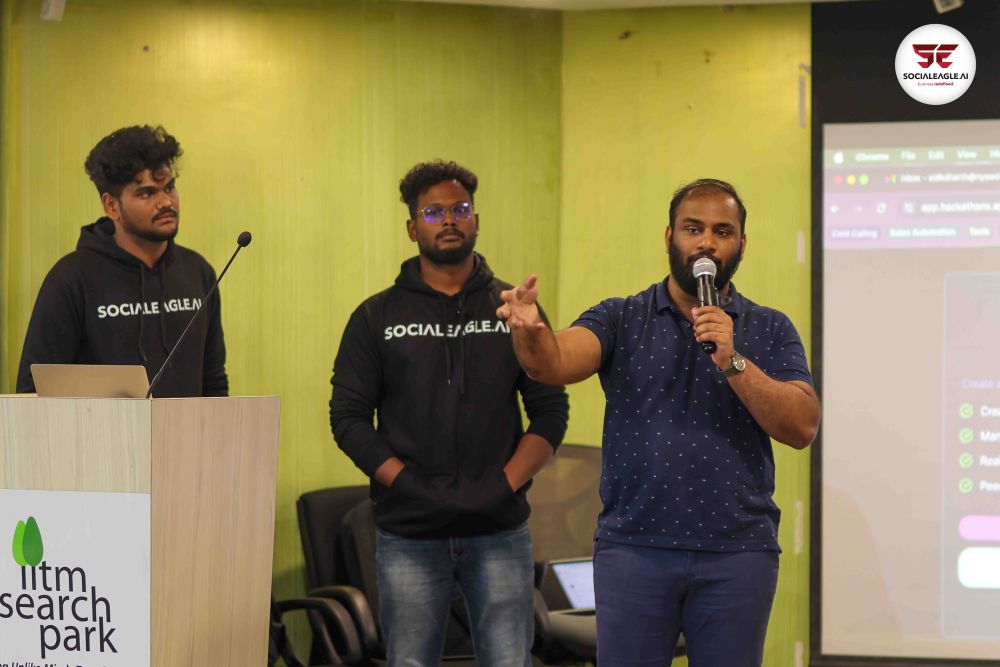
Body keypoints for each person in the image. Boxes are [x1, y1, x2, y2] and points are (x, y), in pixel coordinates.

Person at [497, 178, 820, 666]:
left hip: (738, 555)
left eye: (722, 231)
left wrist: (733, 360)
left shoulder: (770, 327)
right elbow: (555, 361)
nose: (706, 242)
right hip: (635, 551)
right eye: (693, 229)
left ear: (741, 244)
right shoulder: (621, 318)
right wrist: (530, 331)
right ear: (670, 237)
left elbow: (802, 426)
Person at [330, 160, 569, 667]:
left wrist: (502, 484)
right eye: (434, 212)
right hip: (408, 532)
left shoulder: (515, 309)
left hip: (500, 530)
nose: (450, 220)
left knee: (509, 661)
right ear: (413, 227)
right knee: (410, 661)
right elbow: (348, 420)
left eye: (460, 209)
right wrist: (408, 484)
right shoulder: (376, 316)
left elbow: (550, 411)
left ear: (477, 220)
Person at [16, 125, 228, 397]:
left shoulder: (198, 272)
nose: (166, 202)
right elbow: (34, 392)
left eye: (170, 187)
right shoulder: (70, 279)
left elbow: (213, 383)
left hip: (188, 439)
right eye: (147, 193)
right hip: (97, 439)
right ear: (111, 206)